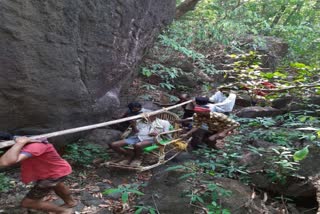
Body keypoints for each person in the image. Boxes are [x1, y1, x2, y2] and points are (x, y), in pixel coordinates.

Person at [0, 136, 76, 214]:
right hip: (57, 171)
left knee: (27, 203)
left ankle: (64, 211)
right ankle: (71, 202)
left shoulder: (35, 146)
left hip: (53, 175)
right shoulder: (34, 142)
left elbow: (4, 162)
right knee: (57, 184)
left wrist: (20, 143)